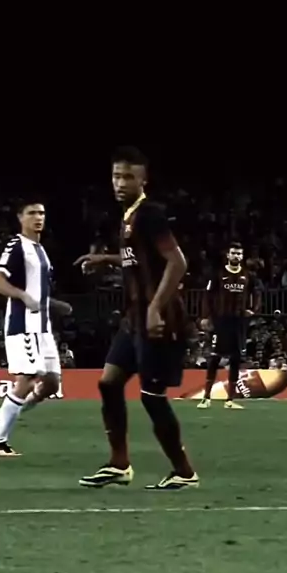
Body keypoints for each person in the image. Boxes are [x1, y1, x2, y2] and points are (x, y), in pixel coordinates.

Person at [74, 147, 198, 491]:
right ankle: (119, 464)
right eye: (116, 176)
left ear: (143, 180)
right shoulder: (129, 217)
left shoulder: (150, 214)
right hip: (134, 319)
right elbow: (138, 258)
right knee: (108, 383)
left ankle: (185, 472)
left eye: (128, 177)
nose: (120, 183)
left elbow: (177, 262)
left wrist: (156, 308)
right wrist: (107, 260)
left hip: (159, 319)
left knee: (151, 396)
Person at [0, 200, 72, 456]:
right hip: (23, 325)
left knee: (51, 384)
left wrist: (54, 304)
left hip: (42, 327)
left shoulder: (40, 249)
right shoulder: (17, 245)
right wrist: (22, 296)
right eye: (32, 213)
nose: (38, 217)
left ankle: (1, 415)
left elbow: (37, 291)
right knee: (26, 379)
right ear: (20, 217)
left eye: (42, 213)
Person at [198, 242, 259, 409]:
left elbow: (256, 293)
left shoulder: (248, 275)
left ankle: (230, 400)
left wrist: (252, 309)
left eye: (239, 254)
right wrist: (205, 316)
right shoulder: (217, 274)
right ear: (228, 255)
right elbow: (207, 295)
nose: (236, 256)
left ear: (242, 256)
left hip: (238, 321)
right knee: (215, 357)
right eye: (233, 253)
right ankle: (206, 398)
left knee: (235, 358)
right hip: (220, 320)